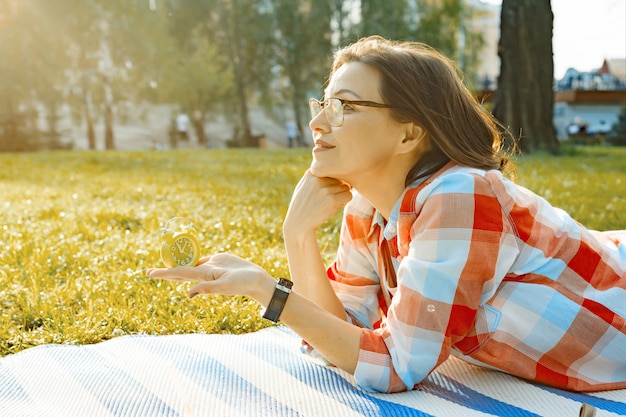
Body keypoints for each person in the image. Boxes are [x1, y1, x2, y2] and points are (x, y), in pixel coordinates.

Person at [147, 36, 626, 394]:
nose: (317, 122)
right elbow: (338, 337)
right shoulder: (370, 208)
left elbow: (395, 366)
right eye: (322, 105)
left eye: (344, 107)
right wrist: (297, 235)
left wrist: (267, 293)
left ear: (408, 134)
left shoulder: (461, 195)